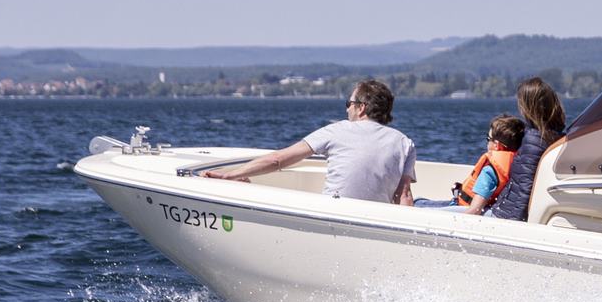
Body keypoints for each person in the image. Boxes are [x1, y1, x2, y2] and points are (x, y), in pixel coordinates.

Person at [203, 79, 416, 203]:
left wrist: (229, 175)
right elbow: (404, 195)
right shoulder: (404, 142)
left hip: (334, 216)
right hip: (374, 221)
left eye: (348, 103)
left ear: (361, 107)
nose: (346, 108)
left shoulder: (337, 131)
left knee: (248, 186)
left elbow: (278, 160)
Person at [484, 78, 567, 222]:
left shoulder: (533, 141)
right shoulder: (555, 136)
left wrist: (513, 223)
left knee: (434, 209)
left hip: (505, 216)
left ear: (528, 106)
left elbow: (525, 188)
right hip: (505, 210)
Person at [454, 114, 524, 211]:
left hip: (463, 207)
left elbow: (475, 210)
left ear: (496, 145)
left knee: (425, 206)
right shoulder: (519, 163)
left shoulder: (490, 171)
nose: (487, 142)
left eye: (488, 139)